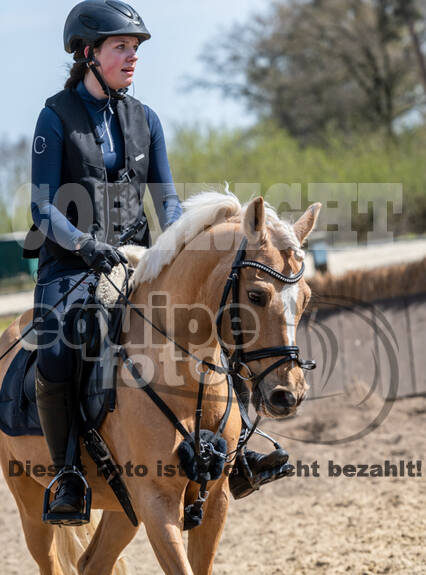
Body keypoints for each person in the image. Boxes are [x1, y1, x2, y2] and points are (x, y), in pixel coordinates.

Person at [25, 0, 289, 521]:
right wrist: (83, 243)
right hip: (72, 265)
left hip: (137, 260)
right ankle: (68, 476)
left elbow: (166, 200)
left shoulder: (146, 118)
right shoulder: (53, 118)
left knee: (217, 316)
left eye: (136, 48)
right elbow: (41, 207)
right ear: (88, 53)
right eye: (121, 47)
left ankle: (237, 456)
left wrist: (179, 242)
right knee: (58, 347)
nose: (133, 57)